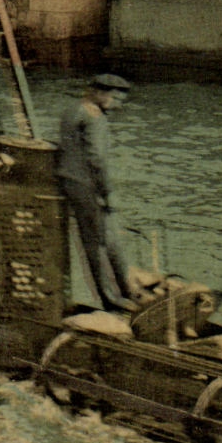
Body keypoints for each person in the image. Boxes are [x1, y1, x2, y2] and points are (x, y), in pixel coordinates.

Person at [56, 73, 135, 312]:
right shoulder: (94, 117)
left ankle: (125, 289)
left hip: (70, 180)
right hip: (88, 185)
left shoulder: (72, 109)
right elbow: (96, 159)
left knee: (106, 238)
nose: (117, 105)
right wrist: (107, 192)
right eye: (115, 98)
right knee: (96, 242)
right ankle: (110, 297)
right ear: (99, 93)